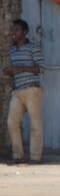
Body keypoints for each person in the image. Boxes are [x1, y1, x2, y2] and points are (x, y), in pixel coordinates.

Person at [3, 19, 44, 164]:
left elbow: (40, 68)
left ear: (25, 32)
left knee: (35, 124)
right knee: (11, 122)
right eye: (13, 30)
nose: (13, 33)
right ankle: (18, 155)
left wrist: (19, 69)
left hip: (32, 89)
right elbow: (12, 70)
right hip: (17, 91)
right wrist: (9, 71)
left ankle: (35, 156)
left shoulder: (33, 48)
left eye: (17, 30)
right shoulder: (13, 50)